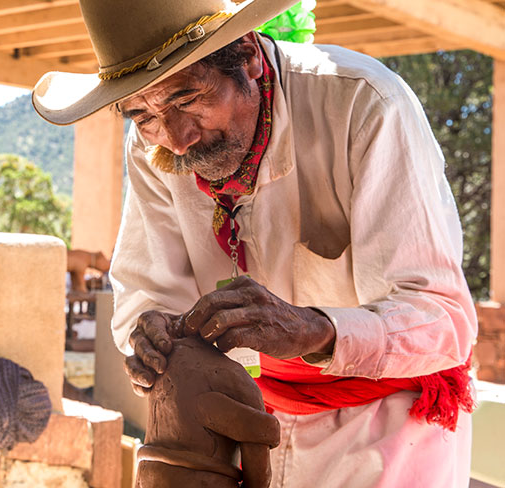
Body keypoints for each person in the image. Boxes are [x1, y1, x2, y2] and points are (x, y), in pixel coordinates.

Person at [32, 0, 477, 487]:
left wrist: (315, 329)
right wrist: (154, 334)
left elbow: (444, 319)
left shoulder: (364, 103)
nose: (176, 140)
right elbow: (148, 293)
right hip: (244, 421)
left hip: (384, 434)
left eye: (187, 100)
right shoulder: (155, 144)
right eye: (143, 115)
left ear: (247, 55)